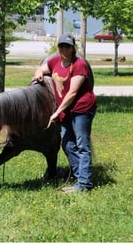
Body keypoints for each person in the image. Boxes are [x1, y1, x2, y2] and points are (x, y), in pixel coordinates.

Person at [32, 34, 97, 193]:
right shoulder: (55, 61)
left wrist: (56, 113)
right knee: (67, 144)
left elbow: (73, 93)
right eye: (61, 46)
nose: (63, 49)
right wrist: (38, 72)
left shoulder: (79, 65)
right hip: (67, 110)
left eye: (67, 46)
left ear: (73, 48)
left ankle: (84, 184)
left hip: (81, 109)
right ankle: (79, 177)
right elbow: (42, 67)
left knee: (82, 145)